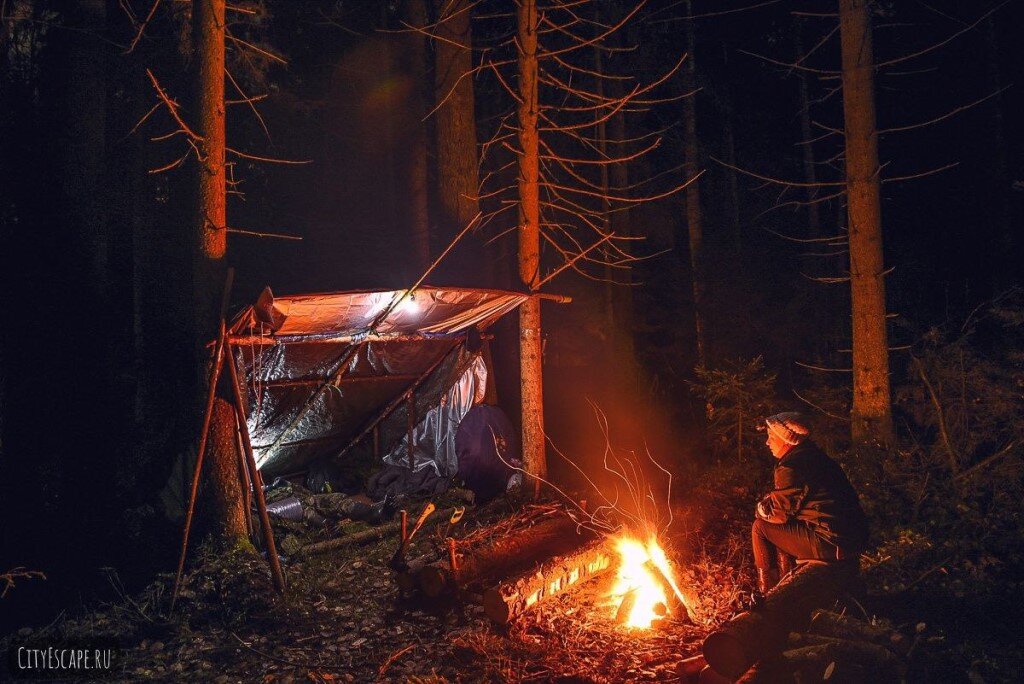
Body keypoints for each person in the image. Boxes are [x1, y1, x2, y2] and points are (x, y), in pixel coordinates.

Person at [752, 412, 869, 594]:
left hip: (832, 543)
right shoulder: (814, 456)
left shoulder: (790, 467)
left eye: (771, 437)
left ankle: (767, 594)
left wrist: (761, 509)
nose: (767, 442)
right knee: (783, 525)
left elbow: (778, 515)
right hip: (851, 538)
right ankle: (785, 582)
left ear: (786, 440)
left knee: (760, 527)